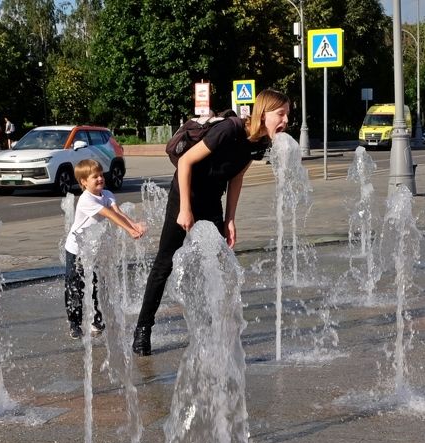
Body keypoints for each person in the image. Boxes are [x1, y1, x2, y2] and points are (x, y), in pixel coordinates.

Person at [131, 88, 290, 355]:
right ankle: (143, 329)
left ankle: (210, 326)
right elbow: (184, 162)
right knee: (164, 263)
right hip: (186, 194)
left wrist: (230, 219)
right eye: (281, 114)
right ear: (264, 112)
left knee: (216, 265)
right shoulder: (229, 129)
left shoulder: (260, 143)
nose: (286, 120)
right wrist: (185, 209)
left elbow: (236, 177)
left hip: (212, 201)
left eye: (288, 114)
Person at [65, 159, 146, 340]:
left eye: (101, 175)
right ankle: (74, 323)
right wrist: (130, 231)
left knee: (96, 285)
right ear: (84, 182)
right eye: (95, 177)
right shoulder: (86, 199)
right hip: (76, 249)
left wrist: (134, 225)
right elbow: (109, 215)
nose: (100, 179)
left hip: (93, 249)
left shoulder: (107, 193)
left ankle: (97, 320)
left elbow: (117, 212)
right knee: (74, 287)